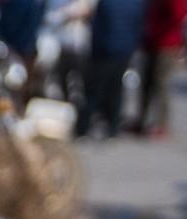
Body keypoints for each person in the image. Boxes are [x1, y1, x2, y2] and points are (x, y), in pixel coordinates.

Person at [77, 0, 147, 137]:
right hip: (124, 52)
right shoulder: (136, 4)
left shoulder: (107, 3)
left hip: (104, 52)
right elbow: (138, 27)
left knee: (93, 92)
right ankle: (113, 127)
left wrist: (95, 50)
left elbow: (98, 28)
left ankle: (83, 128)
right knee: (116, 91)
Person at [136, 0, 187, 135]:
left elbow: (179, 15)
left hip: (166, 44)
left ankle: (161, 124)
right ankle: (141, 120)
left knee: (161, 85)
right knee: (146, 84)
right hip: (151, 42)